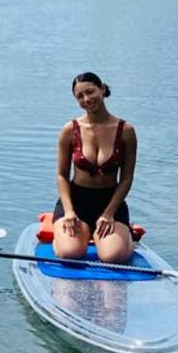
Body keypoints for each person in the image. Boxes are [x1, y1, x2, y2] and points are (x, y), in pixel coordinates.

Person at [53, 72, 138, 263]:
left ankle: (126, 238)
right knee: (70, 254)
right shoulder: (70, 130)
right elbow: (61, 175)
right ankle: (62, 236)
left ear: (102, 89)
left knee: (112, 257)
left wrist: (108, 214)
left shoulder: (126, 131)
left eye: (90, 92)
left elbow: (126, 178)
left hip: (110, 203)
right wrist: (68, 212)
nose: (86, 99)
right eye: (80, 96)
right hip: (76, 202)